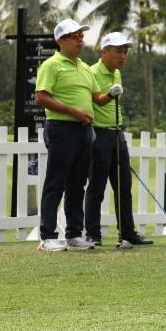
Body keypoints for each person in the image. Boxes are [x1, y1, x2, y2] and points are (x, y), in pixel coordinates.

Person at [33, 19, 117, 252]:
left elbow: (96, 98)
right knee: (56, 182)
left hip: (84, 130)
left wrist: (111, 94)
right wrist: (72, 111)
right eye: (75, 37)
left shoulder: (84, 67)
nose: (80, 40)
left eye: (81, 36)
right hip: (61, 128)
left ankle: (73, 235)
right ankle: (47, 236)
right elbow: (40, 97)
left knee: (77, 184)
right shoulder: (52, 65)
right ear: (61, 41)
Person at [83, 32, 152, 249]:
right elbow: (96, 102)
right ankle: (93, 235)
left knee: (123, 186)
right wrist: (111, 95)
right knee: (96, 187)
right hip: (99, 133)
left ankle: (128, 232)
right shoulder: (92, 73)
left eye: (125, 52)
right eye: (118, 51)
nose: (123, 56)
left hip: (116, 133)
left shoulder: (116, 74)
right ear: (104, 52)